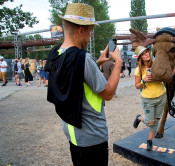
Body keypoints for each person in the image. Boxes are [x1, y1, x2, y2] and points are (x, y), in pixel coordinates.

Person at [45, 3, 122, 166]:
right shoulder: (83, 59)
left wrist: (96, 63)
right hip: (92, 136)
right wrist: (119, 64)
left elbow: (73, 75)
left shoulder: (56, 53)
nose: (91, 36)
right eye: (90, 31)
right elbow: (108, 93)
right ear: (81, 30)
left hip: (71, 130)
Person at [133, 46, 175, 151]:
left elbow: (169, 76)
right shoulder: (139, 70)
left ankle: (149, 141)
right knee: (151, 122)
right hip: (148, 99)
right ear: (140, 58)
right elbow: (137, 85)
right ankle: (139, 118)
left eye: (147, 52)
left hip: (161, 97)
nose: (146, 54)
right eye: (143, 54)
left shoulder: (157, 64)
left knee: (155, 122)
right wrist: (144, 80)